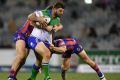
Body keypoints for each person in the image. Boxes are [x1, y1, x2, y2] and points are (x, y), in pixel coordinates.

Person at [8, 2, 65, 80]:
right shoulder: (40, 14)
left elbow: (50, 31)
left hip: (33, 37)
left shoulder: (53, 19)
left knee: (24, 60)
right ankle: (11, 77)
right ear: (53, 10)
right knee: (21, 56)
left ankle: (14, 76)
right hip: (23, 34)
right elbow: (30, 18)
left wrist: (54, 30)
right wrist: (39, 19)